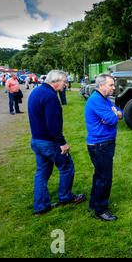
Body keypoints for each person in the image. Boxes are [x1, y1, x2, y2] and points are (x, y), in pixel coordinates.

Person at [28, 70, 86, 216]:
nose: (65, 85)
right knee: (67, 166)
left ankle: (41, 206)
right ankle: (65, 198)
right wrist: (62, 143)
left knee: (42, 172)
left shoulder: (36, 91)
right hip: (49, 141)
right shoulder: (50, 96)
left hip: (36, 140)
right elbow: (52, 124)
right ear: (55, 81)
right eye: (64, 82)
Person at [85, 73, 123, 221]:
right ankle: (101, 210)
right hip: (100, 145)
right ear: (101, 85)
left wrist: (116, 114)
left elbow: (121, 113)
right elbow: (111, 119)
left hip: (103, 144)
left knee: (99, 175)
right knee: (104, 177)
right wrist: (114, 115)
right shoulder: (96, 100)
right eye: (111, 85)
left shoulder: (104, 99)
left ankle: (94, 204)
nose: (114, 87)